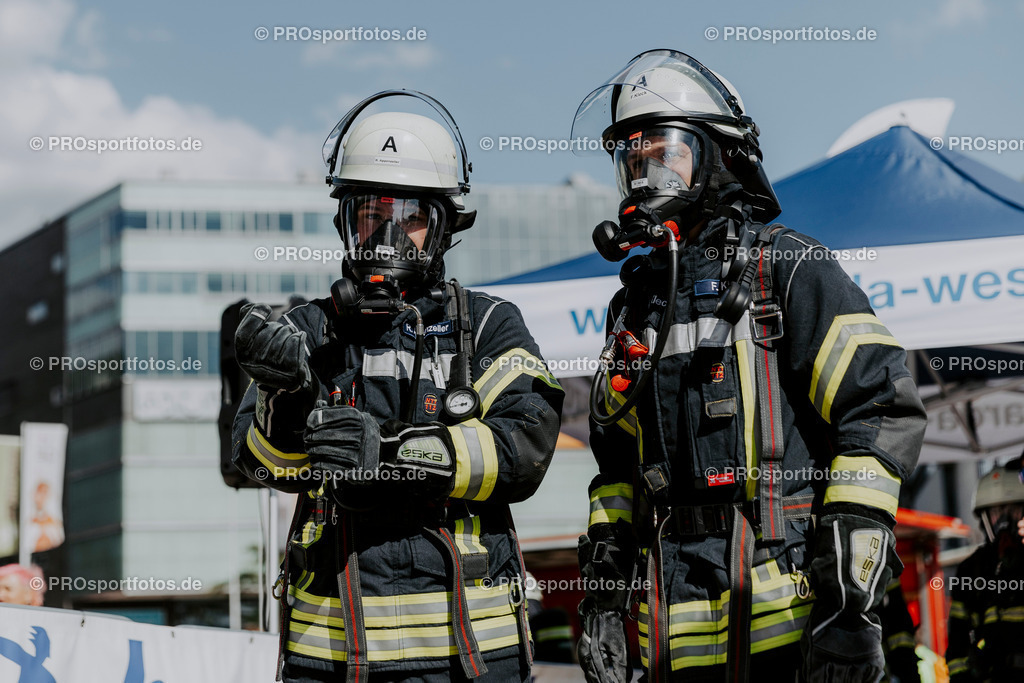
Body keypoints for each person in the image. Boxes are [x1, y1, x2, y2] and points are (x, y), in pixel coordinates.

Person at [571, 50, 926, 683]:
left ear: (719, 158)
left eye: (664, 151)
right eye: (631, 156)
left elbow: (879, 409)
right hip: (671, 644)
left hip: (792, 635)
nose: (644, 173)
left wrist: (848, 602)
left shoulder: (788, 270)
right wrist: (603, 593)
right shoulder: (634, 309)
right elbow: (616, 471)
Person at [231, 90, 564, 682]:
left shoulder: (486, 325)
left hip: (468, 658)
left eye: (409, 216)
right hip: (331, 657)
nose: (387, 232)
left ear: (442, 226)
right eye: (370, 213)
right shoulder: (307, 330)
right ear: (346, 221)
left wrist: (391, 455)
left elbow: (525, 450)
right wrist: (287, 400)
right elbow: (257, 465)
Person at [947, 458, 1024, 681]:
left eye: (1013, 511)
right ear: (984, 519)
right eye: (996, 514)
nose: (1004, 523)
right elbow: (957, 641)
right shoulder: (972, 570)